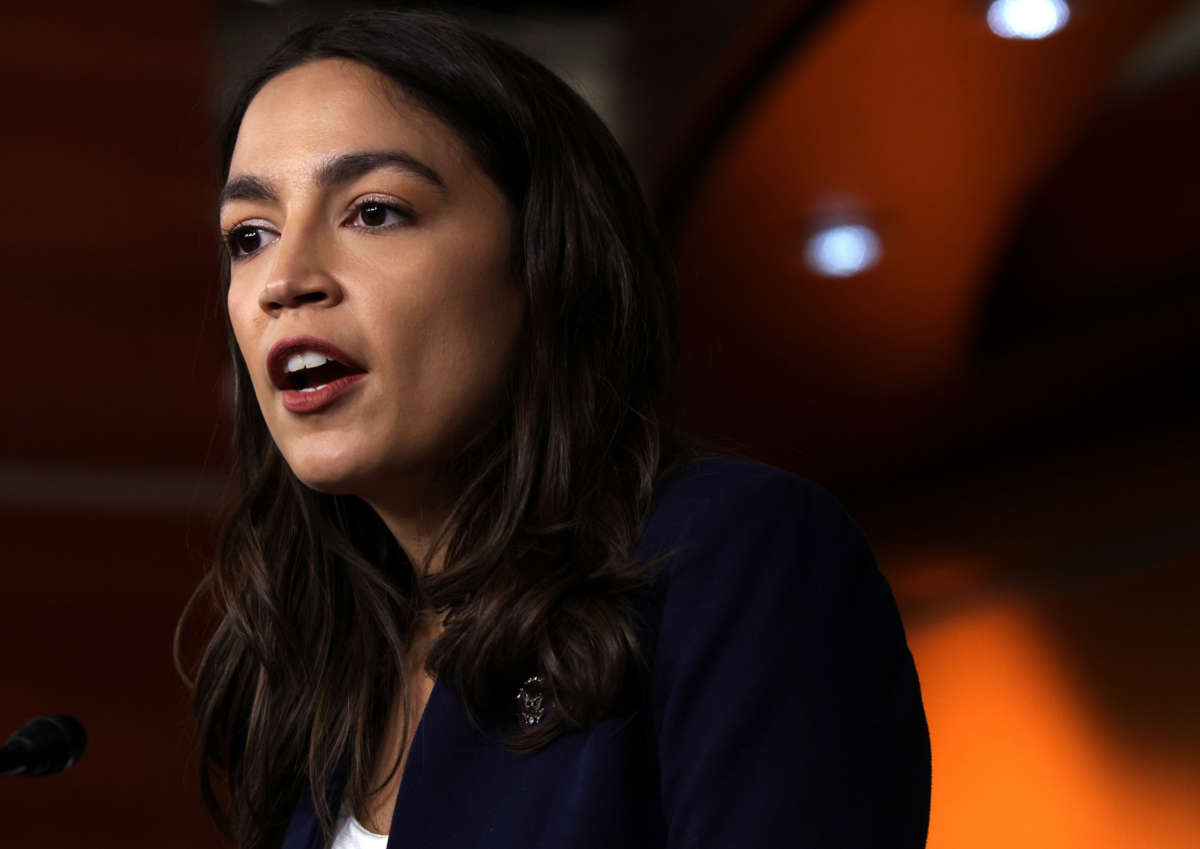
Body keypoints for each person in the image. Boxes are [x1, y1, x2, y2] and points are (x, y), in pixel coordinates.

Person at [178, 9, 931, 849]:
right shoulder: (323, 683)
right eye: (249, 235)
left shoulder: (734, 558)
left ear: (546, 259)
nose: (284, 280)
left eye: (375, 212)